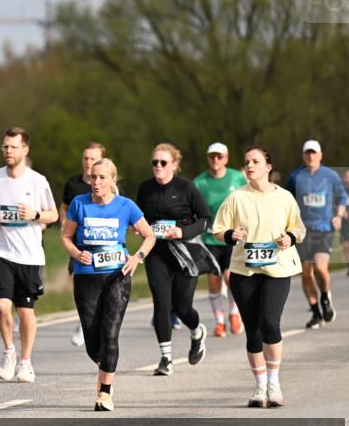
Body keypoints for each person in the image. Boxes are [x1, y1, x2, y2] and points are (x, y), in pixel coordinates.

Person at [213, 146, 305, 407]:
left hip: (278, 269)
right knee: (252, 330)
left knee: (269, 322)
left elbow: (299, 228)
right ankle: (259, 386)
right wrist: (231, 235)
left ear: (268, 167)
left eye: (255, 161)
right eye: (247, 162)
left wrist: (290, 237)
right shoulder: (237, 198)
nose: (250, 166)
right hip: (244, 271)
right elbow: (218, 230)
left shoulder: (285, 197)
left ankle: (274, 383)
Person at [62, 158, 155, 410]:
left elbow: (149, 235)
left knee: (110, 334)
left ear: (113, 180)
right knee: (94, 345)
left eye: (102, 177)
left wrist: (138, 257)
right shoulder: (78, 204)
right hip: (86, 277)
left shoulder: (126, 206)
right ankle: (106, 370)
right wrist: (75, 253)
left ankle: (104, 392)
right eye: (93, 177)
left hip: (117, 276)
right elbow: (66, 236)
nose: (96, 182)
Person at [0, 127, 59, 382]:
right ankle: (9, 352)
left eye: (13, 147)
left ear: (25, 150)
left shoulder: (37, 181)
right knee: (2, 305)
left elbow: (54, 214)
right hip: (3, 253)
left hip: (29, 256)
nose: (8, 151)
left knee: (25, 311)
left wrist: (36, 215)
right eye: (5, 146)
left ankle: (26, 362)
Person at [136, 143, 213, 376]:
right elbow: (139, 217)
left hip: (184, 252)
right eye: (155, 163)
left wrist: (182, 232)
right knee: (161, 303)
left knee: (182, 307)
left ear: (174, 165)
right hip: (157, 252)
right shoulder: (145, 189)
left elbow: (205, 218)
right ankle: (166, 358)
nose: (158, 167)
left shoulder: (186, 187)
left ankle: (197, 330)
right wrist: (138, 228)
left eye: (163, 163)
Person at [285, 140, 346, 328]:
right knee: (305, 274)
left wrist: (339, 216)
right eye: (307, 153)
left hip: (323, 228)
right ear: (303, 156)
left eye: (314, 153)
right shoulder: (295, 176)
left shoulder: (330, 175)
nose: (311, 156)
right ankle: (315, 312)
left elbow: (342, 196)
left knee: (320, 268)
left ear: (320, 155)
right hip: (302, 231)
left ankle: (326, 297)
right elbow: (287, 200)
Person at [193, 142, 248, 337]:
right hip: (210, 238)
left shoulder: (237, 177)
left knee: (231, 278)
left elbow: (248, 200)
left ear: (226, 158)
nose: (215, 160)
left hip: (233, 237)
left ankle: (234, 314)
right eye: (211, 156)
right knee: (214, 279)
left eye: (219, 156)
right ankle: (219, 321)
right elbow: (193, 209)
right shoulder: (200, 182)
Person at [61, 142, 106, 347]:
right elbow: (64, 207)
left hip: (104, 245)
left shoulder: (110, 185)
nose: (88, 163)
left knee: (103, 284)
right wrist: (65, 224)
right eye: (85, 158)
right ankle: (84, 320)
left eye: (93, 159)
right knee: (79, 280)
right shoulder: (73, 185)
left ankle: (98, 317)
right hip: (79, 246)